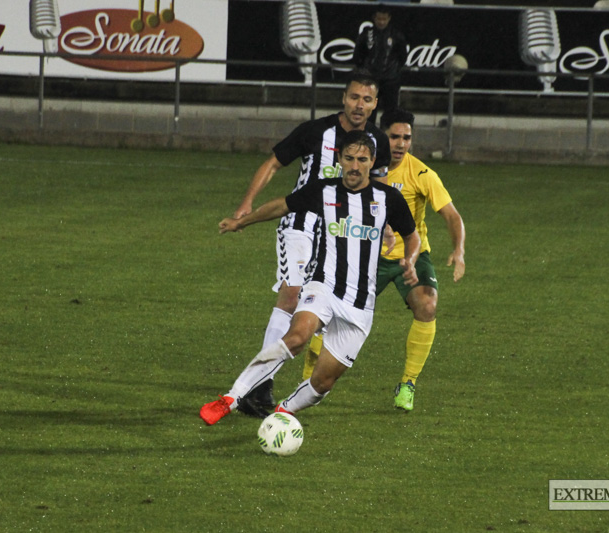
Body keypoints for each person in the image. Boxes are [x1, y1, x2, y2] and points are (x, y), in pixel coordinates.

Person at [200, 130, 420, 425]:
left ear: (372, 162)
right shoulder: (324, 191)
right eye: (349, 158)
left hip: (359, 306)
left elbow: (412, 235)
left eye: (362, 159)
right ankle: (231, 397)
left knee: (323, 383)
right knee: (297, 337)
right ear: (340, 159)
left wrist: (411, 259)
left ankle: (283, 412)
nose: (355, 166)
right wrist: (242, 223)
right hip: (323, 286)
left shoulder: (388, 198)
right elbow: (282, 205)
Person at [231, 69, 392, 419]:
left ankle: (269, 383)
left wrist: (388, 226)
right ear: (343, 98)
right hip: (300, 224)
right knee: (291, 294)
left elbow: (381, 189)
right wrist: (248, 204)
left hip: (341, 233)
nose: (359, 105)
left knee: (318, 309)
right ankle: (260, 387)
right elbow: (274, 162)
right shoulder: (316, 131)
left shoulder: (378, 141)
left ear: (375, 103)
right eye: (353, 97)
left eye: (366, 99)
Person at [302, 108, 466, 411]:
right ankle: (308, 381)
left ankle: (408, 383)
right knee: (324, 318)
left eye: (406, 138)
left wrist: (459, 250)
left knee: (427, 305)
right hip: (363, 255)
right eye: (394, 137)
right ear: (382, 137)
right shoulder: (361, 168)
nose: (401, 144)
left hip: (410, 255)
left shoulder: (422, 173)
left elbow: (452, 216)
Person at [353, 6, 408, 125]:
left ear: (389, 18)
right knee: (369, 111)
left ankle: (387, 140)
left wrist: (393, 71)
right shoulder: (367, 34)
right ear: (374, 18)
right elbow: (357, 56)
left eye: (384, 19)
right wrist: (365, 71)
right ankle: (368, 139)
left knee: (390, 113)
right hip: (371, 81)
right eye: (379, 19)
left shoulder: (396, 35)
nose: (381, 22)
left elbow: (402, 57)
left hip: (390, 80)